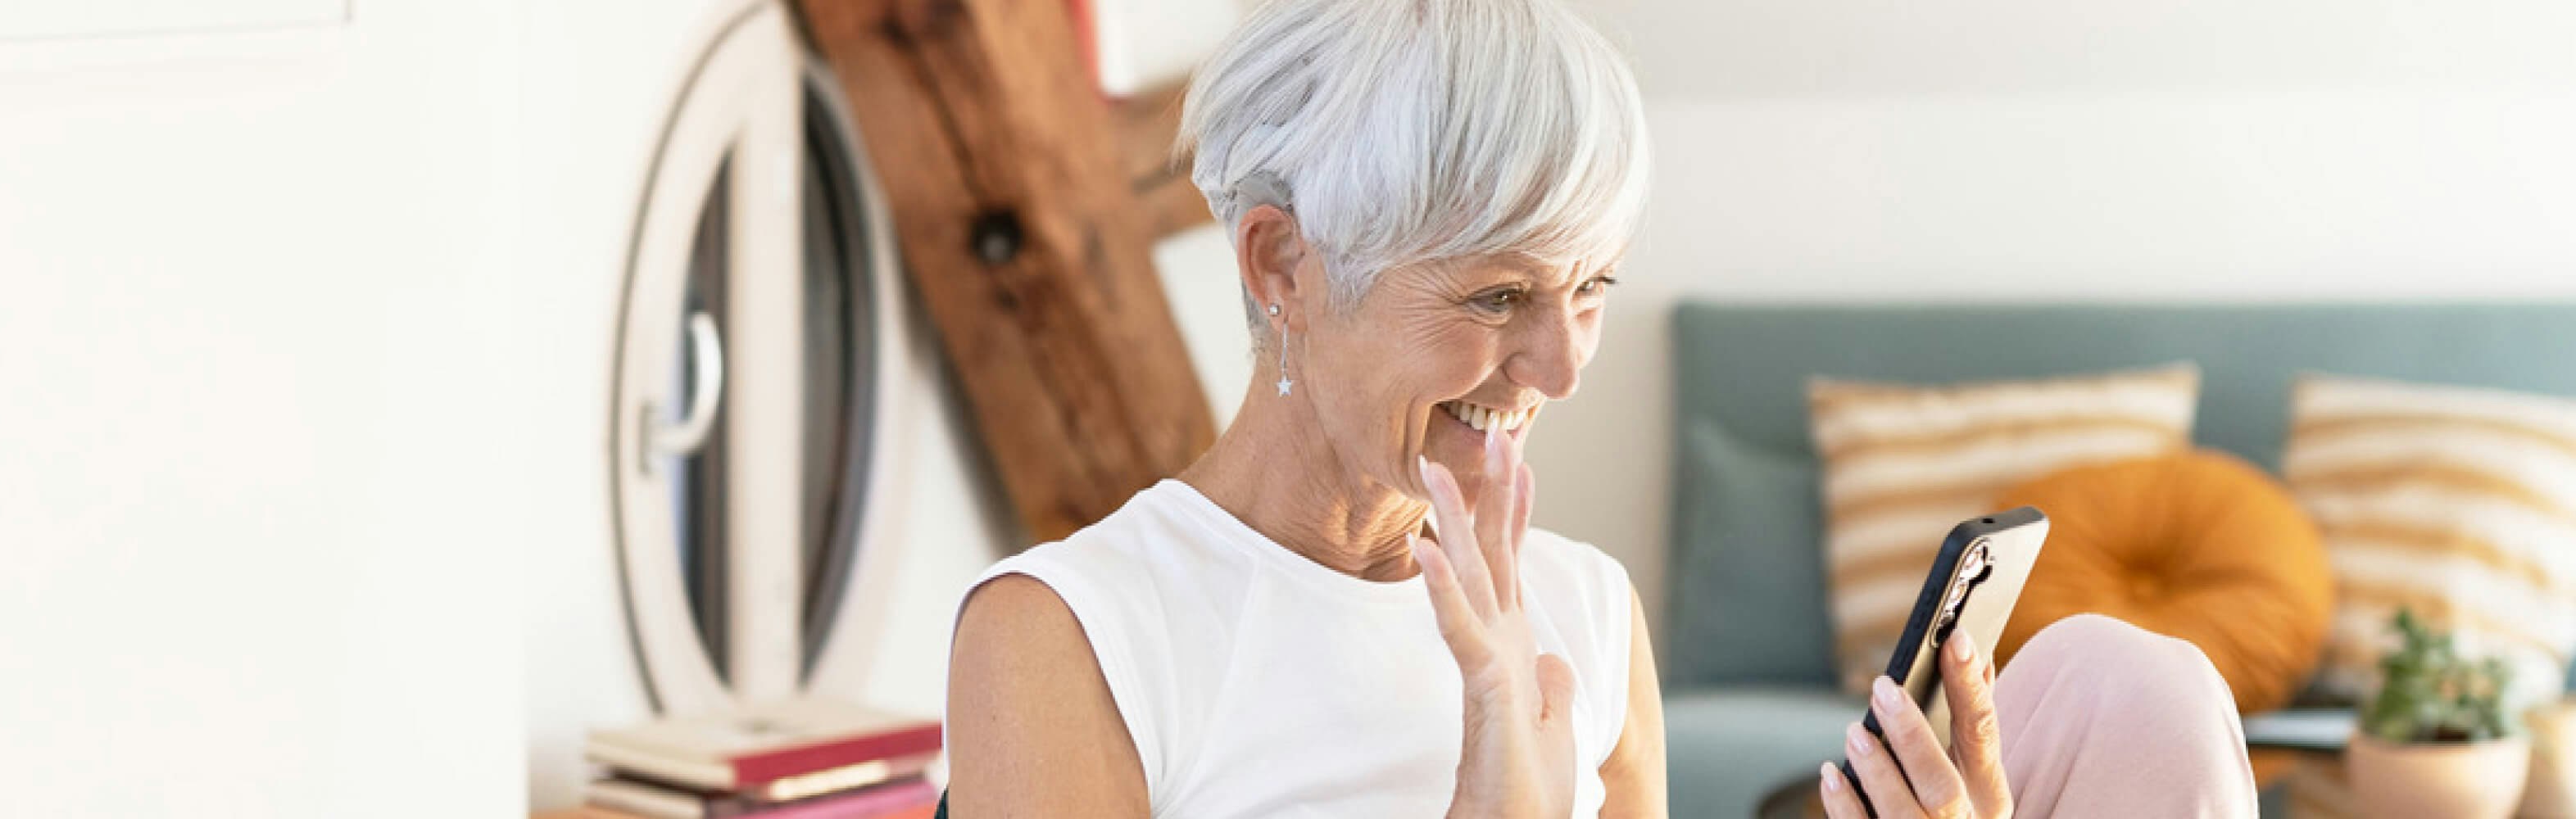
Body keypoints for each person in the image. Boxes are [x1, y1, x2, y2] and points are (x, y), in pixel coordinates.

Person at [943, 0, 2261, 816]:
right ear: (1283, 263)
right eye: (1499, 295)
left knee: (2129, 692)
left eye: (1590, 286)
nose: (1563, 369)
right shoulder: (1074, 638)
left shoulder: (1584, 605)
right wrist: (1499, 770)